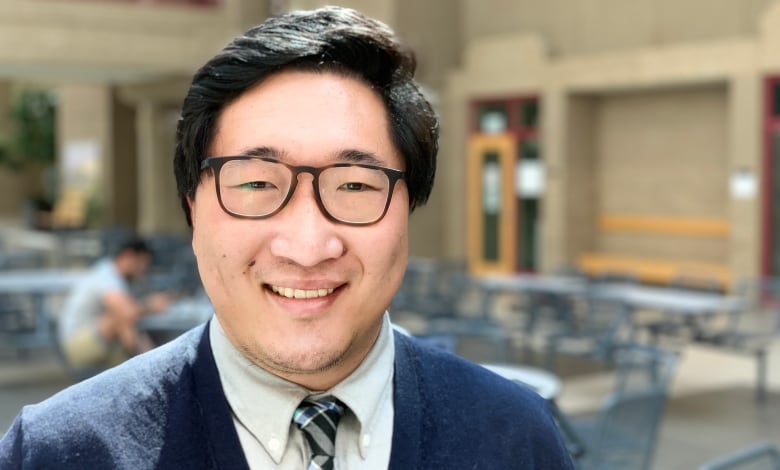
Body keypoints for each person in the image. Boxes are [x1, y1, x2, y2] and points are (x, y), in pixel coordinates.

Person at [0, 6, 574, 469]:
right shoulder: (58, 452)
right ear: (192, 209)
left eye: (353, 185)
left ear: (409, 208)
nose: (306, 245)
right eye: (255, 182)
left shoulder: (512, 436)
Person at [57, 237, 171, 369]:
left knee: (125, 321)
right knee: (120, 318)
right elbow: (128, 311)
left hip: (92, 339)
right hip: (75, 344)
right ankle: (151, 367)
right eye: (142, 263)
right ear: (128, 256)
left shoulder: (113, 273)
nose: (143, 269)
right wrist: (151, 305)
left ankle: (148, 365)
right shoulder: (107, 276)